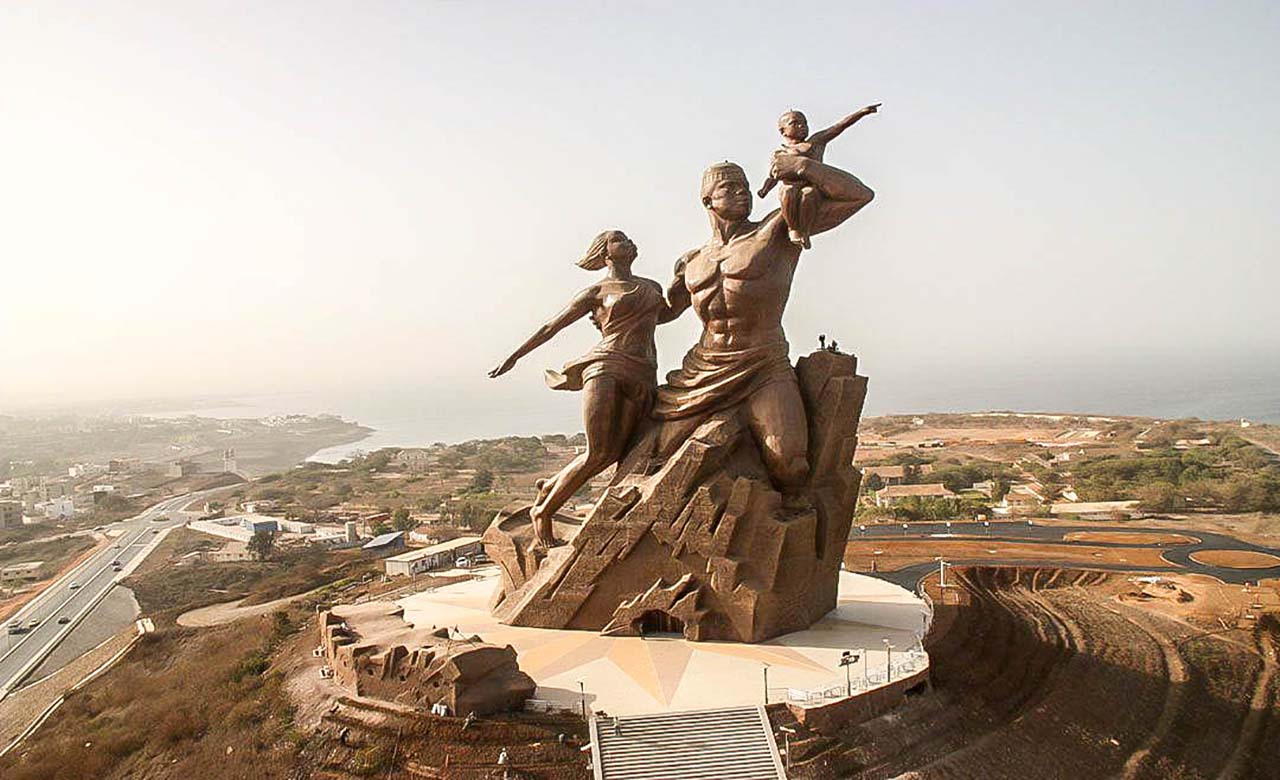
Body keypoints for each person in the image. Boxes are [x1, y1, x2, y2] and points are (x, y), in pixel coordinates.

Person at [656, 153, 875, 508]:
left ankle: (784, 528)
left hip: (763, 364)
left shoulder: (777, 230)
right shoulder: (691, 261)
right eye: (730, 188)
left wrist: (803, 167)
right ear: (708, 201)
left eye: (745, 186)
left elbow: (858, 196)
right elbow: (663, 313)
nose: (743, 193)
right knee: (661, 452)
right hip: (703, 369)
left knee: (790, 466)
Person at [489, 231, 672, 548]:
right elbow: (552, 326)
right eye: (619, 239)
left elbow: (668, 313)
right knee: (598, 451)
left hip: (643, 373)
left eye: (628, 238)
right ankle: (543, 512)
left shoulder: (652, 287)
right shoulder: (596, 291)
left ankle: (551, 487)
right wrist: (515, 356)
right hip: (606, 366)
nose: (629, 241)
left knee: (615, 454)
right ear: (605, 253)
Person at [756, 104, 879, 248]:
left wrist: (861, 113)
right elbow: (773, 176)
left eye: (804, 123)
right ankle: (793, 228)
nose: (802, 126)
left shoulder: (815, 142)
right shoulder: (780, 153)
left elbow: (838, 127)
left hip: (812, 186)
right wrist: (764, 190)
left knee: (809, 194)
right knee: (786, 191)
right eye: (795, 123)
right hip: (790, 187)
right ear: (783, 131)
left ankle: (804, 231)